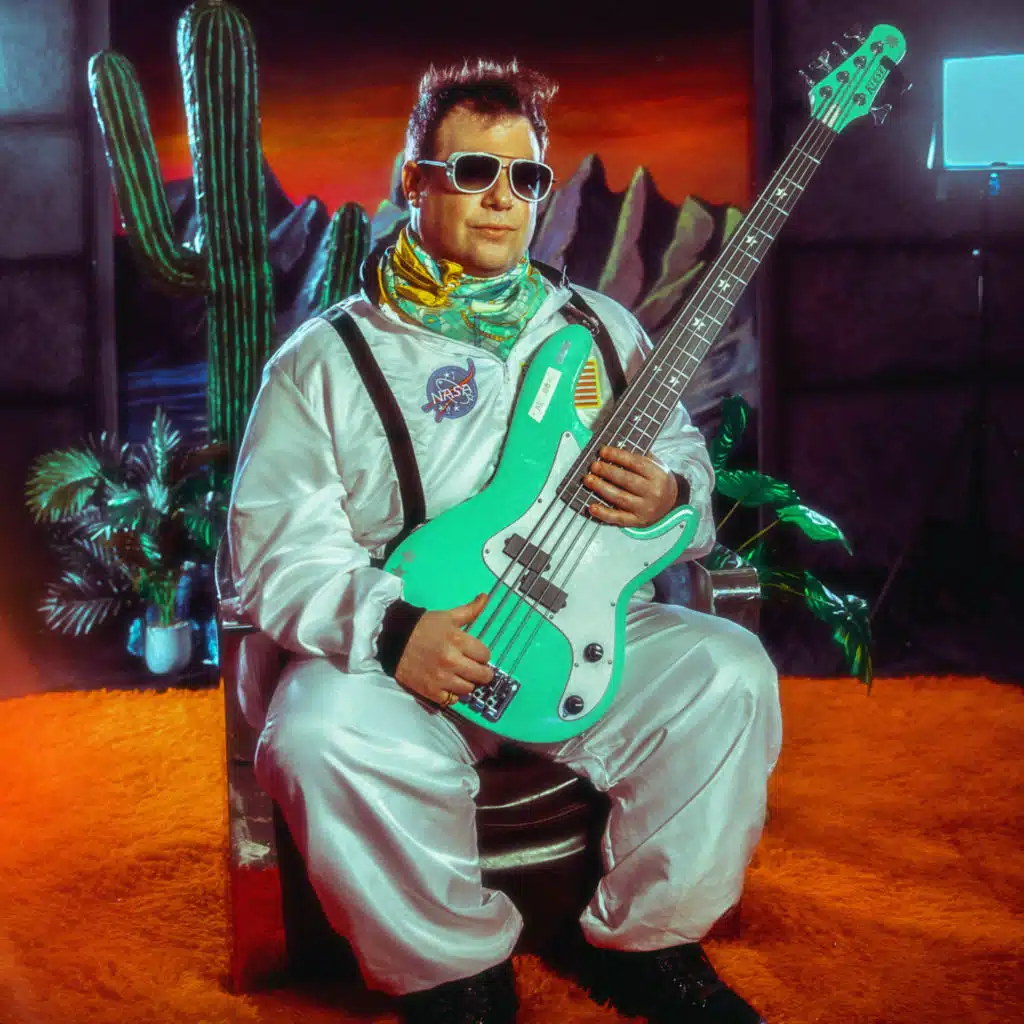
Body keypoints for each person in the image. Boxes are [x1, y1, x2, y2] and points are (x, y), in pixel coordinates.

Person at [229, 57, 782, 1024]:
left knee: (727, 672)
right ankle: (453, 976)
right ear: (414, 184)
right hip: (404, 649)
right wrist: (394, 630)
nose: (501, 199)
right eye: (473, 172)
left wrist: (669, 493)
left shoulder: (600, 329)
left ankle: (651, 944)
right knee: (316, 735)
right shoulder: (325, 359)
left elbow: (683, 466)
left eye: (524, 177)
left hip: (583, 629)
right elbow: (276, 548)